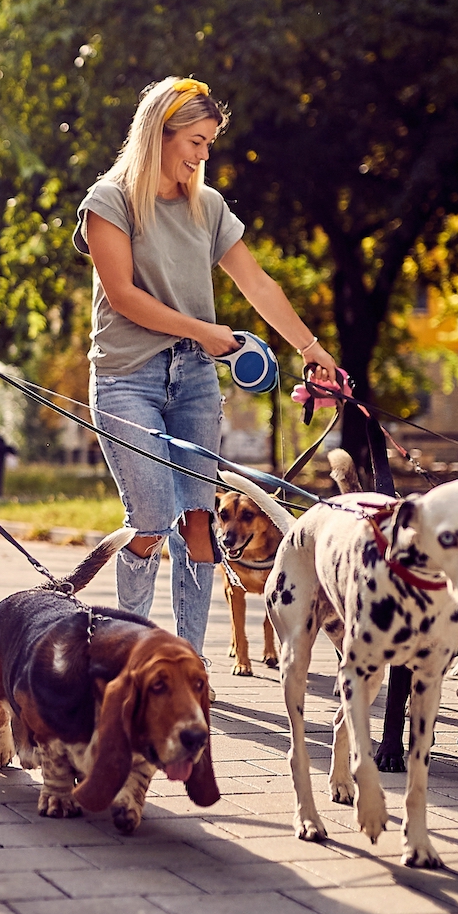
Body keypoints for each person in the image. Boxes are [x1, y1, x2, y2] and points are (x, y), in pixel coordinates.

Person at [76, 76, 339, 655]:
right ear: (158, 135)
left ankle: (188, 662)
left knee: (199, 521)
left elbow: (257, 284)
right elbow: (122, 295)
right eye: (194, 141)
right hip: (127, 378)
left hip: (194, 380)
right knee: (148, 521)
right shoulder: (110, 201)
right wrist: (206, 331)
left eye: (208, 144)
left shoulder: (207, 206)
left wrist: (309, 347)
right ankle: (130, 657)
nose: (202, 155)